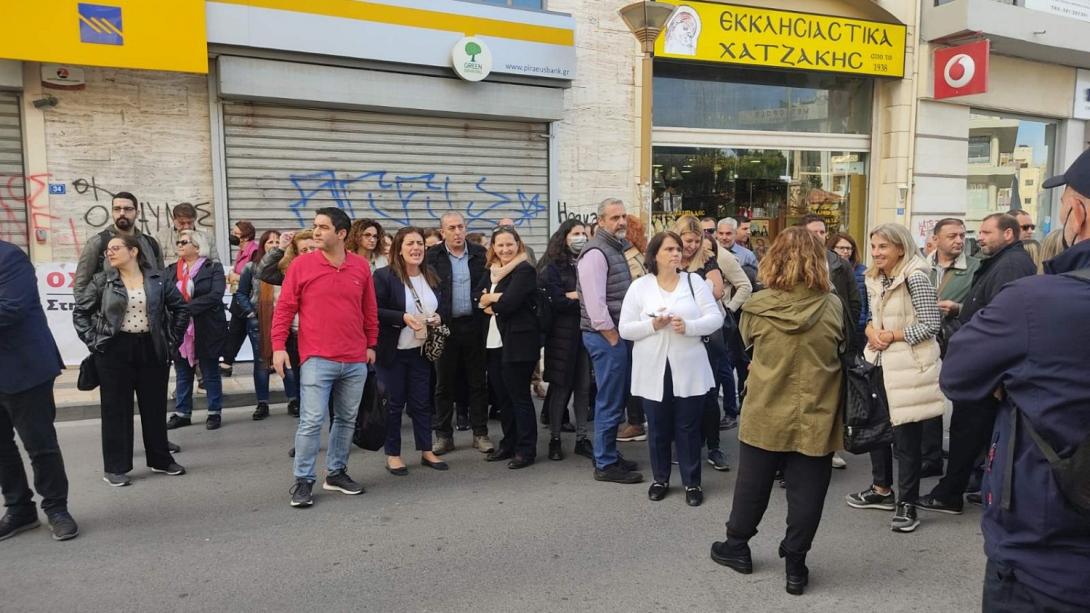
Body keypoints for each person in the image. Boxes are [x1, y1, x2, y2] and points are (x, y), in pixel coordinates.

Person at [940, 152, 1090, 611]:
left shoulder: (1037, 301)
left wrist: (1010, 381)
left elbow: (960, 375)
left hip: (1046, 553)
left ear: (1078, 212)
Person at [709, 227, 844, 596]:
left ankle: (736, 546)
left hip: (767, 405)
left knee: (752, 484)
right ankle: (796, 564)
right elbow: (842, 346)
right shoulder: (832, 305)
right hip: (818, 407)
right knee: (808, 491)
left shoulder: (757, 306)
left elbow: (748, 347)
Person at [917, 213, 1037, 515]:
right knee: (976, 432)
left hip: (987, 367)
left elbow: (1004, 320)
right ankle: (976, 486)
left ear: (1008, 235)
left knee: (967, 430)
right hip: (986, 364)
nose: (977, 238)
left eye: (985, 232)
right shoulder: (1004, 261)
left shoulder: (1011, 264)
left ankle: (950, 494)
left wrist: (995, 374)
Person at [272, 208, 378, 508]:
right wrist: (278, 346)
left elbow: (369, 310)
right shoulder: (302, 265)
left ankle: (336, 473)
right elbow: (285, 309)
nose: (316, 232)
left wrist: (371, 344)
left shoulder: (359, 267)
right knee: (311, 420)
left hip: (355, 358)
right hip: (317, 357)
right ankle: (304, 480)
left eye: (323, 227)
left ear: (342, 233)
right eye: (315, 226)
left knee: (346, 419)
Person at [844, 223, 945, 533]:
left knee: (906, 440)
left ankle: (907, 503)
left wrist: (892, 334)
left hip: (910, 367)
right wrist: (873, 332)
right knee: (877, 429)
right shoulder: (875, 277)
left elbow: (931, 325)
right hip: (880, 363)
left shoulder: (916, 276)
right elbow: (873, 320)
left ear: (901, 248)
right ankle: (881, 489)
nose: (876, 253)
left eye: (883, 247)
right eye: (873, 247)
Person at [73, 235, 189, 487]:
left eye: (116, 248)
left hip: (152, 348)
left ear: (133, 251)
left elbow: (181, 308)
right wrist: (95, 341)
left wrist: (171, 342)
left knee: (155, 407)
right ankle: (116, 467)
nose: (109, 253)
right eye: (107, 250)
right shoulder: (102, 281)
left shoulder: (157, 279)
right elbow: (81, 312)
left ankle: (160, 460)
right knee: (116, 410)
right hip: (114, 351)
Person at [620, 231, 722, 506]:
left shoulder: (694, 282)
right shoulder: (640, 287)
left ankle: (692, 483)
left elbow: (715, 318)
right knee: (658, 426)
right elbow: (625, 329)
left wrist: (688, 327)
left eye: (678, 249)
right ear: (655, 255)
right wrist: (651, 325)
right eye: (669, 249)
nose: (676, 254)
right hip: (653, 366)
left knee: (688, 426)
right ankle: (660, 478)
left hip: (689, 365)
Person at [0, 240, 77, 542]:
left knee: (40, 446)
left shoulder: (9, 257)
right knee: (2, 449)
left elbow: (11, 309)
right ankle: (20, 509)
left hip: (24, 368)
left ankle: (57, 508)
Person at [373, 227, 450, 475]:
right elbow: (374, 311)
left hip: (421, 352)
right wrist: (403, 317)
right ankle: (393, 454)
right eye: (410, 244)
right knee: (394, 405)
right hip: (392, 352)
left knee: (421, 403)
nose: (416, 248)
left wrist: (439, 317)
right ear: (399, 248)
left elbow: (443, 304)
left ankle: (426, 450)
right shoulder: (384, 276)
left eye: (419, 243)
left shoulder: (430, 274)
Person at [578, 198, 643, 484]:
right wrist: (613, 337)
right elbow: (595, 305)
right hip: (605, 337)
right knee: (609, 399)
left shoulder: (615, 248)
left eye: (623, 217)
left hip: (614, 335)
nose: (620, 222)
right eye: (614, 217)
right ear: (600, 221)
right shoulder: (596, 252)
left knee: (614, 398)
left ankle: (608, 454)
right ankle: (604, 463)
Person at [426, 212, 495, 455]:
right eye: (451, 228)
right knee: (444, 383)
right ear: (442, 232)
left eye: (460, 227)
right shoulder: (432, 255)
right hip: (445, 327)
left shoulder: (479, 254)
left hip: (474, 326)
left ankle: (480, 433)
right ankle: (444, 435)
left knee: (477, 382)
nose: (457, 232)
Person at [477, 226, 540, 469]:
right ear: (493, 247)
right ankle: (508, 443)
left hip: (518, 343)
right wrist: (490, 300)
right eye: (500, 245)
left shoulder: (525, 270)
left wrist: (491, 299)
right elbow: (476, 296)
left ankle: (526, 449)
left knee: (519, 398)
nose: (505, 249)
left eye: (509, 244)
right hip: (493, 342)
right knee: (503, 399)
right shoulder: (492, 271)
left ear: (518, 245)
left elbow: (511, 303)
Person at [920, 218, 980, 477]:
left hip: (959, 340)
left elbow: (984, 304)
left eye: (962, 235)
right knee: (928, 397)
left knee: (961, 401)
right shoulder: (922, 267)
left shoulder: (976, 268)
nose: (959, 240)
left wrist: (959, 308)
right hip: (926, 340)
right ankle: (929, 456)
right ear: (936, 238)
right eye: (952, 236)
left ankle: (961, 462)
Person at [673, 215, 730, 472]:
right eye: (688, 240)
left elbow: (717, 290)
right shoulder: (668, 258)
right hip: (677, 336)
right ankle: (687, 443)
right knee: (680, 392)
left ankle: (714, 447)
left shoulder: (706, 259)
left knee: (708, 393)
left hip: (707, 337)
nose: (692, 246)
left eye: (696, 241)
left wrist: (689, 298)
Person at [540, 220, 594, 461]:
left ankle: (582, 438)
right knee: (561, 388)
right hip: (561, 336)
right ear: (565, 237)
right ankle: (555, 439)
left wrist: (573, 296)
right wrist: (578, 297)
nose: (581, 237)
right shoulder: (553, 267)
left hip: (585, 333)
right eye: (576, 233)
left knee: (583, 388)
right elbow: (556, 301)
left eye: (584, 233)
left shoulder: (589, 262)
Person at [164, 230, 228, 431]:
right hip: (180, 329)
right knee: (183, 372)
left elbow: (216, 295)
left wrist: (185, 308)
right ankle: (183, 413)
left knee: (210, 371)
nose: (179, 245)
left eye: (184, 242)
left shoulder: (213, 268)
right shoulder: (172, 270)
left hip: (207, 327)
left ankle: (214, 412)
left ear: (198, 247)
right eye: (178, 241)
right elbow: (165, 294)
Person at [236, 230, 299, 420]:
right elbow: (241, 293)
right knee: (262, 363)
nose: (272, 244)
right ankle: (262, 403)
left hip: (284, 320)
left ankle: (293, 399)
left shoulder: (287, 266)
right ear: (262, 245)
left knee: (287, 362)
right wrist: (252, 313)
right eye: (269, 242)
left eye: (276, 241)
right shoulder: (252, 267)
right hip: (260, 321)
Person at [255, 230, 315, 418]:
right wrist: (280, 248)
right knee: (300, 388)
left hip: (318, 337)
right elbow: (264, 272)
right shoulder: (290, 272)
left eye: (312, 248)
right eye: (303, 249)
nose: (308, 252)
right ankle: (305, 442)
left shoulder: (329, 269)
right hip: (295, 337)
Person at [73, 191, 164, 296]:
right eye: (117, 209)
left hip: (147, 310)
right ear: (112, 212)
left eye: (127, 209)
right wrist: (90, 311)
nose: (122, 213)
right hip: (109, 310)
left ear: (137, 213)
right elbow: (81, 285)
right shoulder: (97, 242)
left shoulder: (151, 243)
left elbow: (162, 281)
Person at [618, 214, 649, 443]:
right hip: (639, 324)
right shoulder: (637, 253)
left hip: (632, 324)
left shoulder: (628, 256)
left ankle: (636, 421)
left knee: (632, 375)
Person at [802, 214, 862, 329]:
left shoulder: (841, 264)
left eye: (822, 232)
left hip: (834, 329)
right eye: (814, 232)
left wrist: (846, 332)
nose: (819, 236)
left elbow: (854, 303)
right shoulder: (792, 263)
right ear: (803, 234)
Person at [220, 221, 258, 378]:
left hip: (249, 299)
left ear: (246, 236)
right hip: (239, 298)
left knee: (244, 332)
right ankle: (226, 363)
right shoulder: (242, 251)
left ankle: (227, 364)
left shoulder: (254, 251)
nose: (232, 236)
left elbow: (254, 275)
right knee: (236, 332)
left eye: (236, 233)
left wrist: (236, 277)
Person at [828, 232, 868, 351]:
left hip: (860, 327)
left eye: (849, 248)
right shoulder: (828, 270)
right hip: (838, 325)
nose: (846, 251)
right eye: (841, 248)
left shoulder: (863, 271)